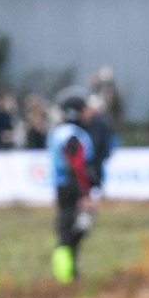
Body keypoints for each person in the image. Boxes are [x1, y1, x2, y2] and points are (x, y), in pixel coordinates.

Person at [47, 94, 96, 284]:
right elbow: (77, 165)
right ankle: (66, 276)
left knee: (66, 228)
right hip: (73, 187)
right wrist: (84, 194)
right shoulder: (74, 135)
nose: (88, 114)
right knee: (75, 228)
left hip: (62, 187)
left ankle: (67, 273)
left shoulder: (58, 132)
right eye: (84, 110)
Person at [82, 92, 115, 186]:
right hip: (97, 156)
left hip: (97, 156)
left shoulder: (99, 123)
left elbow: (97, 141)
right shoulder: (97, 121)